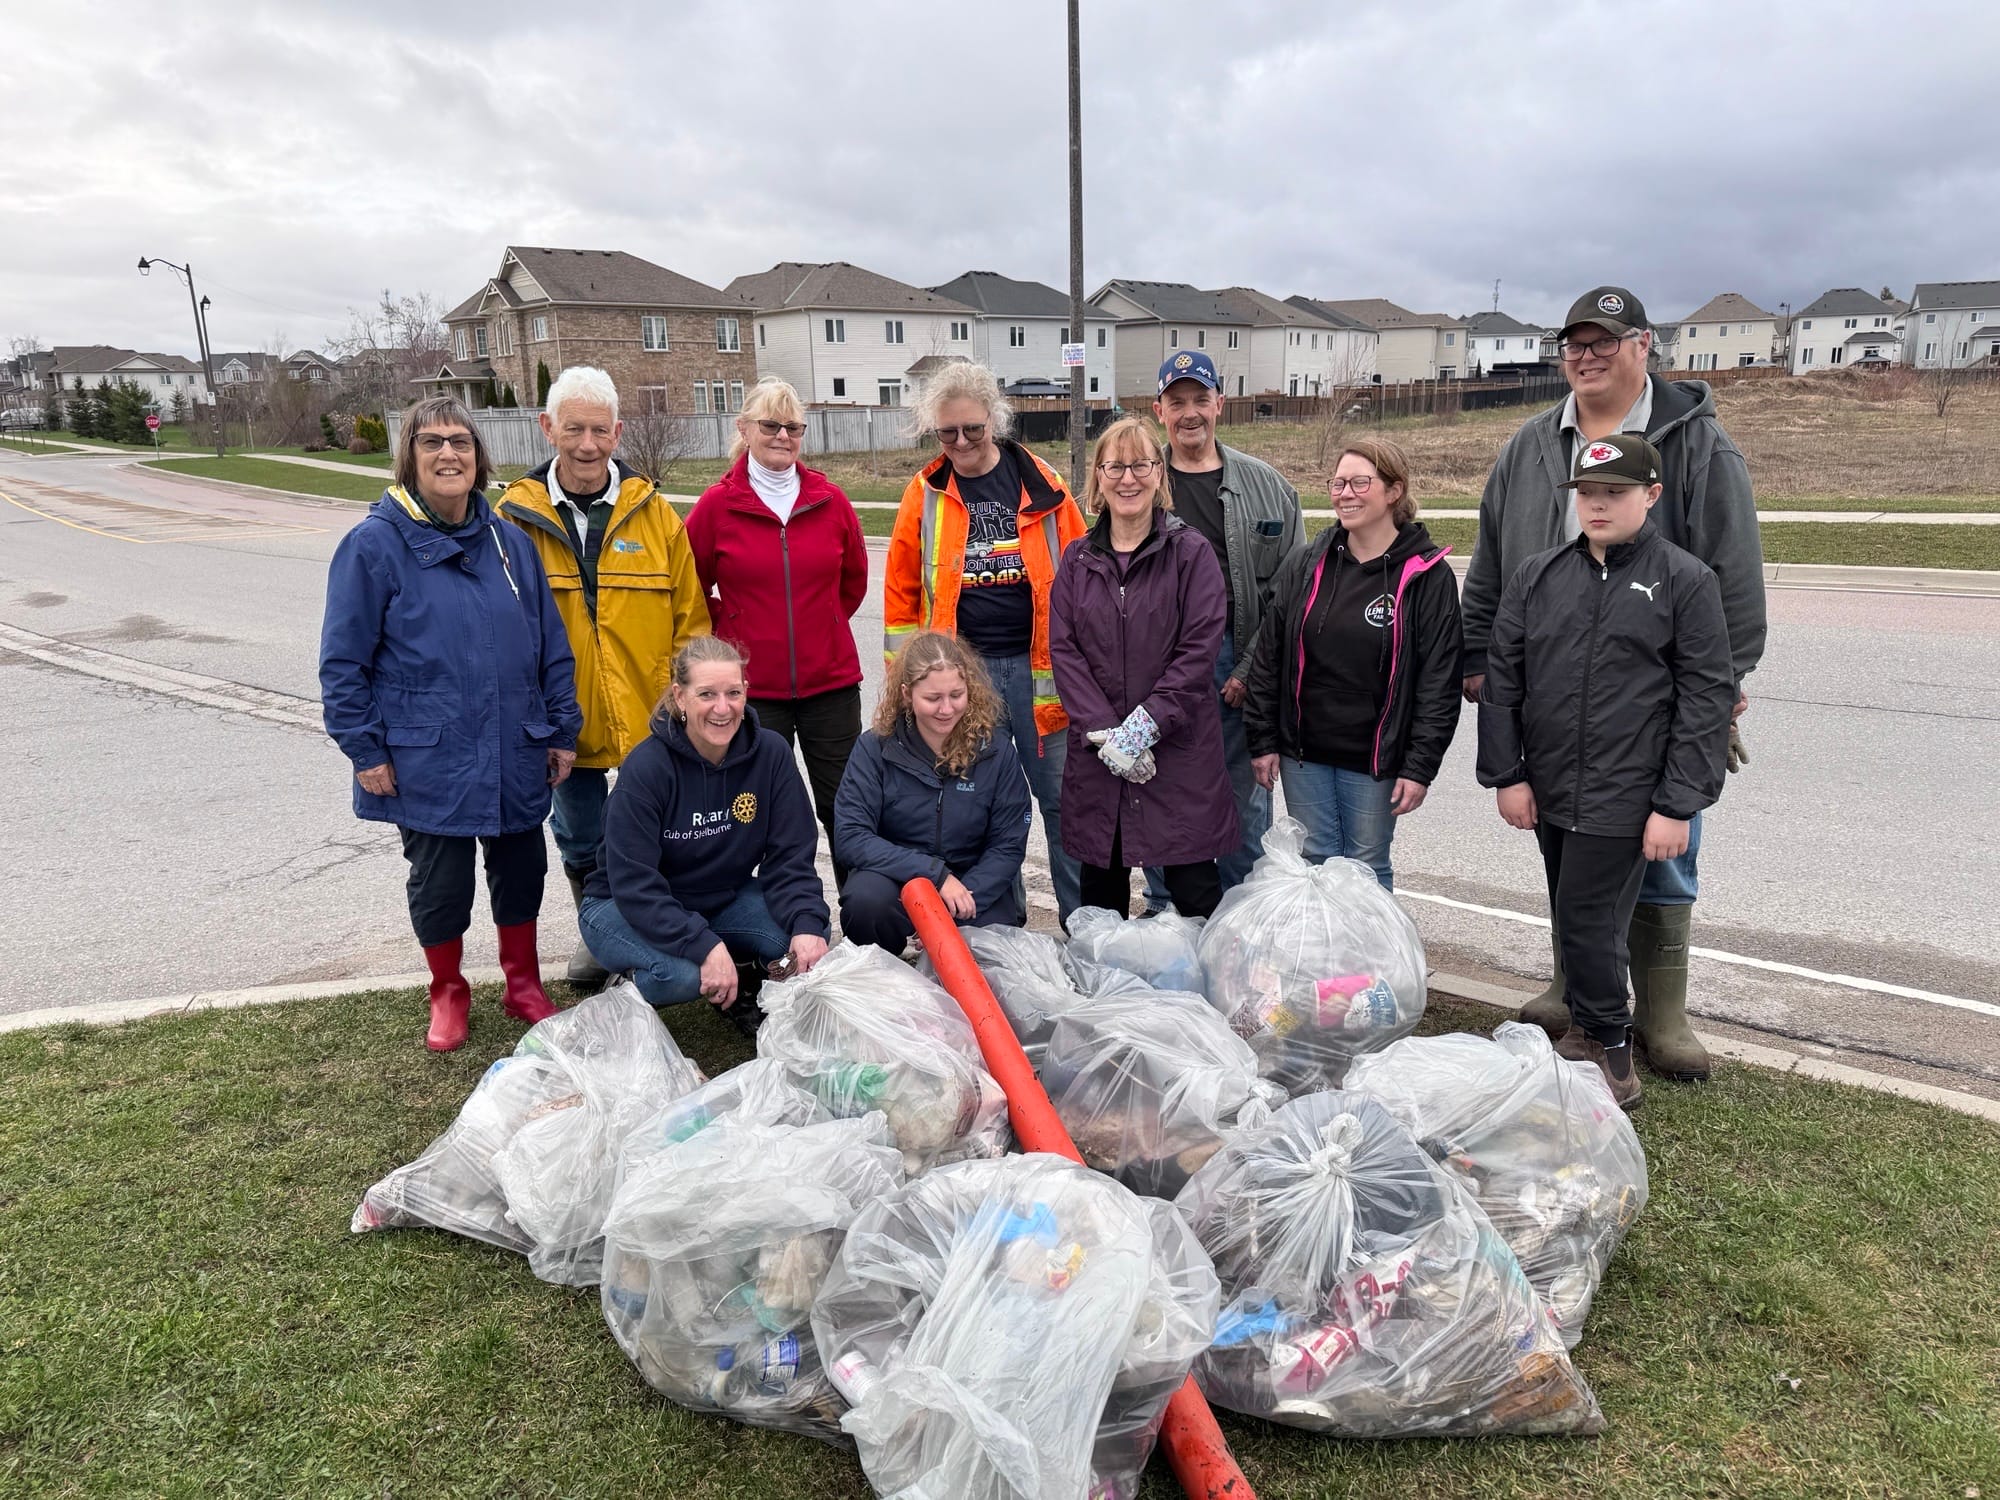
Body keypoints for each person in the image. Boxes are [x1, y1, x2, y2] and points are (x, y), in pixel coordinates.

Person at [1459, 284, 1766, 1082]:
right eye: (1574, 344)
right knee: (1567, 846)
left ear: (1643, 346)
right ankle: (1580, 990)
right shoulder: (1531, 444)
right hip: (1554, 682)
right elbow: (1493, 558)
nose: (1587, 357)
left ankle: (1659, 1014)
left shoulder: (1697, 444)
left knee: (1663, 844)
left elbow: (1733, 572)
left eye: (1605, 342)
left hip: (1652, 690)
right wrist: (1478, 656)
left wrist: (1729, 675)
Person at [1475, 434, 1735, 1110]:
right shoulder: (1538, 576)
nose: (1597, 504)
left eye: (1614, 492)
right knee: (1579, 917)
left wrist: (1678, 803)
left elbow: (1706, 698)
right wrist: (1509, 773)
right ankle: (1588, 1031)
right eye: (1588, 492)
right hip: (1550, 785)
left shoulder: (1684, 581)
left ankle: (1613, 1054)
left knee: (1586, 918)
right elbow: (1505, 681)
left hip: (1628, 791)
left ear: (1650, 495)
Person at [320, 396, 581, 1052]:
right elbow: (343, 662)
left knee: (522, 872)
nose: (448, 454)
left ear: (478, 455)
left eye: (460, 442)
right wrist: (364, 748)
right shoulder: (374, 546)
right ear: (409, 457)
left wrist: (561, 728)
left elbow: (551, 645)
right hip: (426, 753)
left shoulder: (508, 542)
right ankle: (448, 991)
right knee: (440, 882)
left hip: (515, 744)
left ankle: (522, 984)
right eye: (432, 442)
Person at [498, 366, 710, 990]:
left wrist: (686, 705)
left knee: (656, 836)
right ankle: (601, 933)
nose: (587, 445)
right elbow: (504, 629)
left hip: (653, 718)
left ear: (618, 432)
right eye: (573, 429)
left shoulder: (656, 516)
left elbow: (690, 619)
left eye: (599, 430)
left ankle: (658, 928)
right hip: (567, 720)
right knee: (581, 837)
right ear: (547, 429)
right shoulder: (513, 520)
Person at [885, 361, 1088, 924]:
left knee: (1063, 803)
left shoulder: (1046, 484)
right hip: (961, 680)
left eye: (972, 429)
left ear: (994, 422)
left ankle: (1081, 927)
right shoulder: (924, 494)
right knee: (978, 809)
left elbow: (1084, 575)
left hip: (1039, 672)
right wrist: (909, 677)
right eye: (947, 433)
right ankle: (1000, 931)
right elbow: (901, 595)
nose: (961, 442)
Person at [578, 636, 831, 1033]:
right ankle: (622, 996)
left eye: (733, 692)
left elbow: (791, 857)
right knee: (680, 974)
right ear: (679, 697)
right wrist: (705, 946)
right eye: (706, 694)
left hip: (720, 898)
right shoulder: (647, 767)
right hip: (621, 904)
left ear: (746, 692)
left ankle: (746, 987)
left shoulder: (771, 754)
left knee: (804, 938)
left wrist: (806, 924)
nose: (722, 708)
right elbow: (634, 884)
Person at [1243, 436, 1463, 889]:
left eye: (1360, 483)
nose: (1346, 493)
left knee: (1365, 867)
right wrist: (1262, 738)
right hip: (1306, 754)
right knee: (1315, 866)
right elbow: (1269, 654)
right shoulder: (1308, 562)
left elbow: (1439, 682)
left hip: (1375, 758)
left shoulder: (1426, 575)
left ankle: (1368, 963)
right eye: (1338, 483)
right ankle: (1326, 961)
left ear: (1394, 491)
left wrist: (1419, 766)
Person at [1049, 415, 1237, 919]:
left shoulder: (1190, 553)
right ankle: (1109, 996)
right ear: (1097, 479)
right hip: (1098, 755)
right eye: (1115, 466)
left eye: (1140, 465)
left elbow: (1198, 652)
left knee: (1195, 892)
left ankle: (1211, 995)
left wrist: (1140, 730)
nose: (1127, 478)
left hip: (1176, 752)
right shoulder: (1077, 560)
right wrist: (1107, 734)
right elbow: (1064, 652)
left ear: (1159, 475)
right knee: (1102, 895)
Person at [685, 377, 868, 880]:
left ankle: (862, 926)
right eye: (770, 425)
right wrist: (732, 633)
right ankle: (763, 932)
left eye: (793, 427)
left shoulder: (830, 501)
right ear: (744, 429)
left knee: (846, 810)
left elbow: (852, 583)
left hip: (829, 686)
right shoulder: (715, 508)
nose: (782, 435)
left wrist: (824, 625)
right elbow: (690, 591)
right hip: (750, 693)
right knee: (750, 812)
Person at [1143, 349, 1303, 909]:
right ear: (1158, 409)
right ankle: (1166, 913)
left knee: (1242, 797)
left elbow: (1291, 590)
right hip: (1157, 666)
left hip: (1240, 660)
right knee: (1161, 788)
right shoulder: (1141, 484)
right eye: (1176, 401)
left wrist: (1251, 666)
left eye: (1200, 399)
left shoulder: (1269, 488)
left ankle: (1242, 919)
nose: (1190, 413)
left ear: (1220, 404)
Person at [833, 631, 1033, 953]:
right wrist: (934, 876)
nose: (946, 709)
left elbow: (1008, 844)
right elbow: (852, 837)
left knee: (993, 952)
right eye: (932, 698)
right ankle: (885, 975)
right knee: (864, 902)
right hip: (898, 876)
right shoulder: (875, 747)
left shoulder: (995, 750)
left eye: (956, 695)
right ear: (906, 694)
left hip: (969, 882)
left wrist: (963, 897)